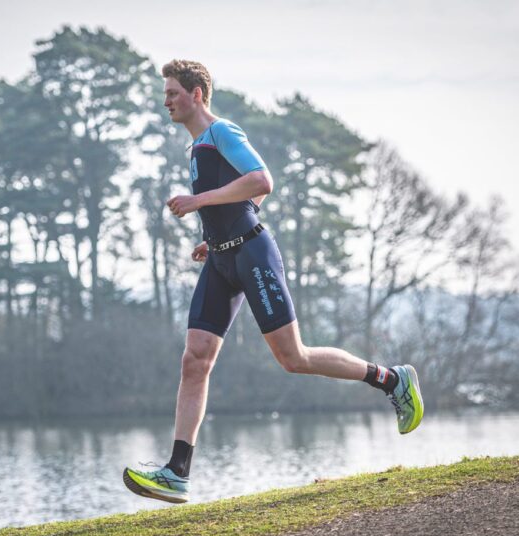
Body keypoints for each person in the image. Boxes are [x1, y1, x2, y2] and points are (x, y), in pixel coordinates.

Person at [123, 60, 423, 504]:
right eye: (164, 93)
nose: (165, 100)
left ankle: (391, 379)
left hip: (253, 254)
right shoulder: (196, 149)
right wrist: (214, 236)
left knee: (294, 358)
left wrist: (201, 202)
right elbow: (249, 194)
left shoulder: (222, 131)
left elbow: (263, 180)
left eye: (172, 92)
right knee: (195, 359)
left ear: (196, 94)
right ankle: (177, 472)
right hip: (222, 258)